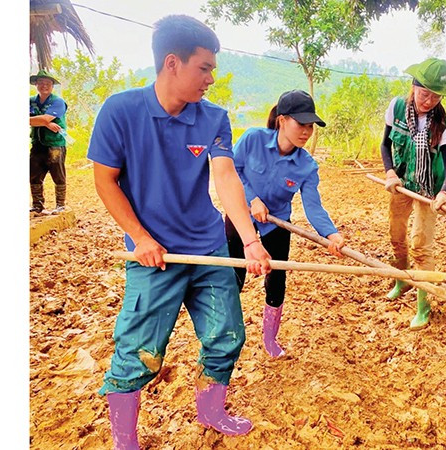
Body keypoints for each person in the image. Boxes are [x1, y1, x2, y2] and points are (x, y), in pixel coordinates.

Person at [87, 15, 272, 447]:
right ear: (173, 63)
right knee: (139, 354)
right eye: (204, 67)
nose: (212, 77)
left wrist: (249, 240)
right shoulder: (121, 111)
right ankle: (124, 439)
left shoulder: (214, 119)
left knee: (227, 336)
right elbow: (104, 180)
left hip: (208, 250)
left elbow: (226, 178)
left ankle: (210, 411)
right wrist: (141, 237)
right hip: (155, 256)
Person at [226, 89, 345, 358]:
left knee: (276, 279)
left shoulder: (307, 166)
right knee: (232, 275)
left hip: (276, 222)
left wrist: (331, 235)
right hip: (240, 215)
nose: (306, 131)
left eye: (311, 126)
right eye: (301, 124)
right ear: (282, 120)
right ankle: (228, 333)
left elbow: (313, 207)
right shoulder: (253, 139)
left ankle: (270, 340)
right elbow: (232, 171)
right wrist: (252, 199)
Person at [378, 58, 446, 330]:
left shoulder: (442, 124)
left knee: (421, 248)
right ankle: (401, 279)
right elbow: (385, 145)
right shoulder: (397, 108)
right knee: (396, 237)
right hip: (401, 183)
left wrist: (445, 192)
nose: (429, 101)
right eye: (425, 93)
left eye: (436, 96)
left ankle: (423, 306)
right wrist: (390, 172)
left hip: (429, 191)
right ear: (413, 87)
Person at [29, 69, 68, 214]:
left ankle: (60, 205)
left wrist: (44, 121)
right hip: (37, 143)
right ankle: (37, 205)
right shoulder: (31, 101)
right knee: (33, 174)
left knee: (57, 173)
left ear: (52, 86)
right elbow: (43, 120)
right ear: (36, 85)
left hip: (55, 143)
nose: (44, 85)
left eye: (47, 83)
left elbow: (45, 118)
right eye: (41, 83)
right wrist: (45, 123)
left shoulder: (58, 102)